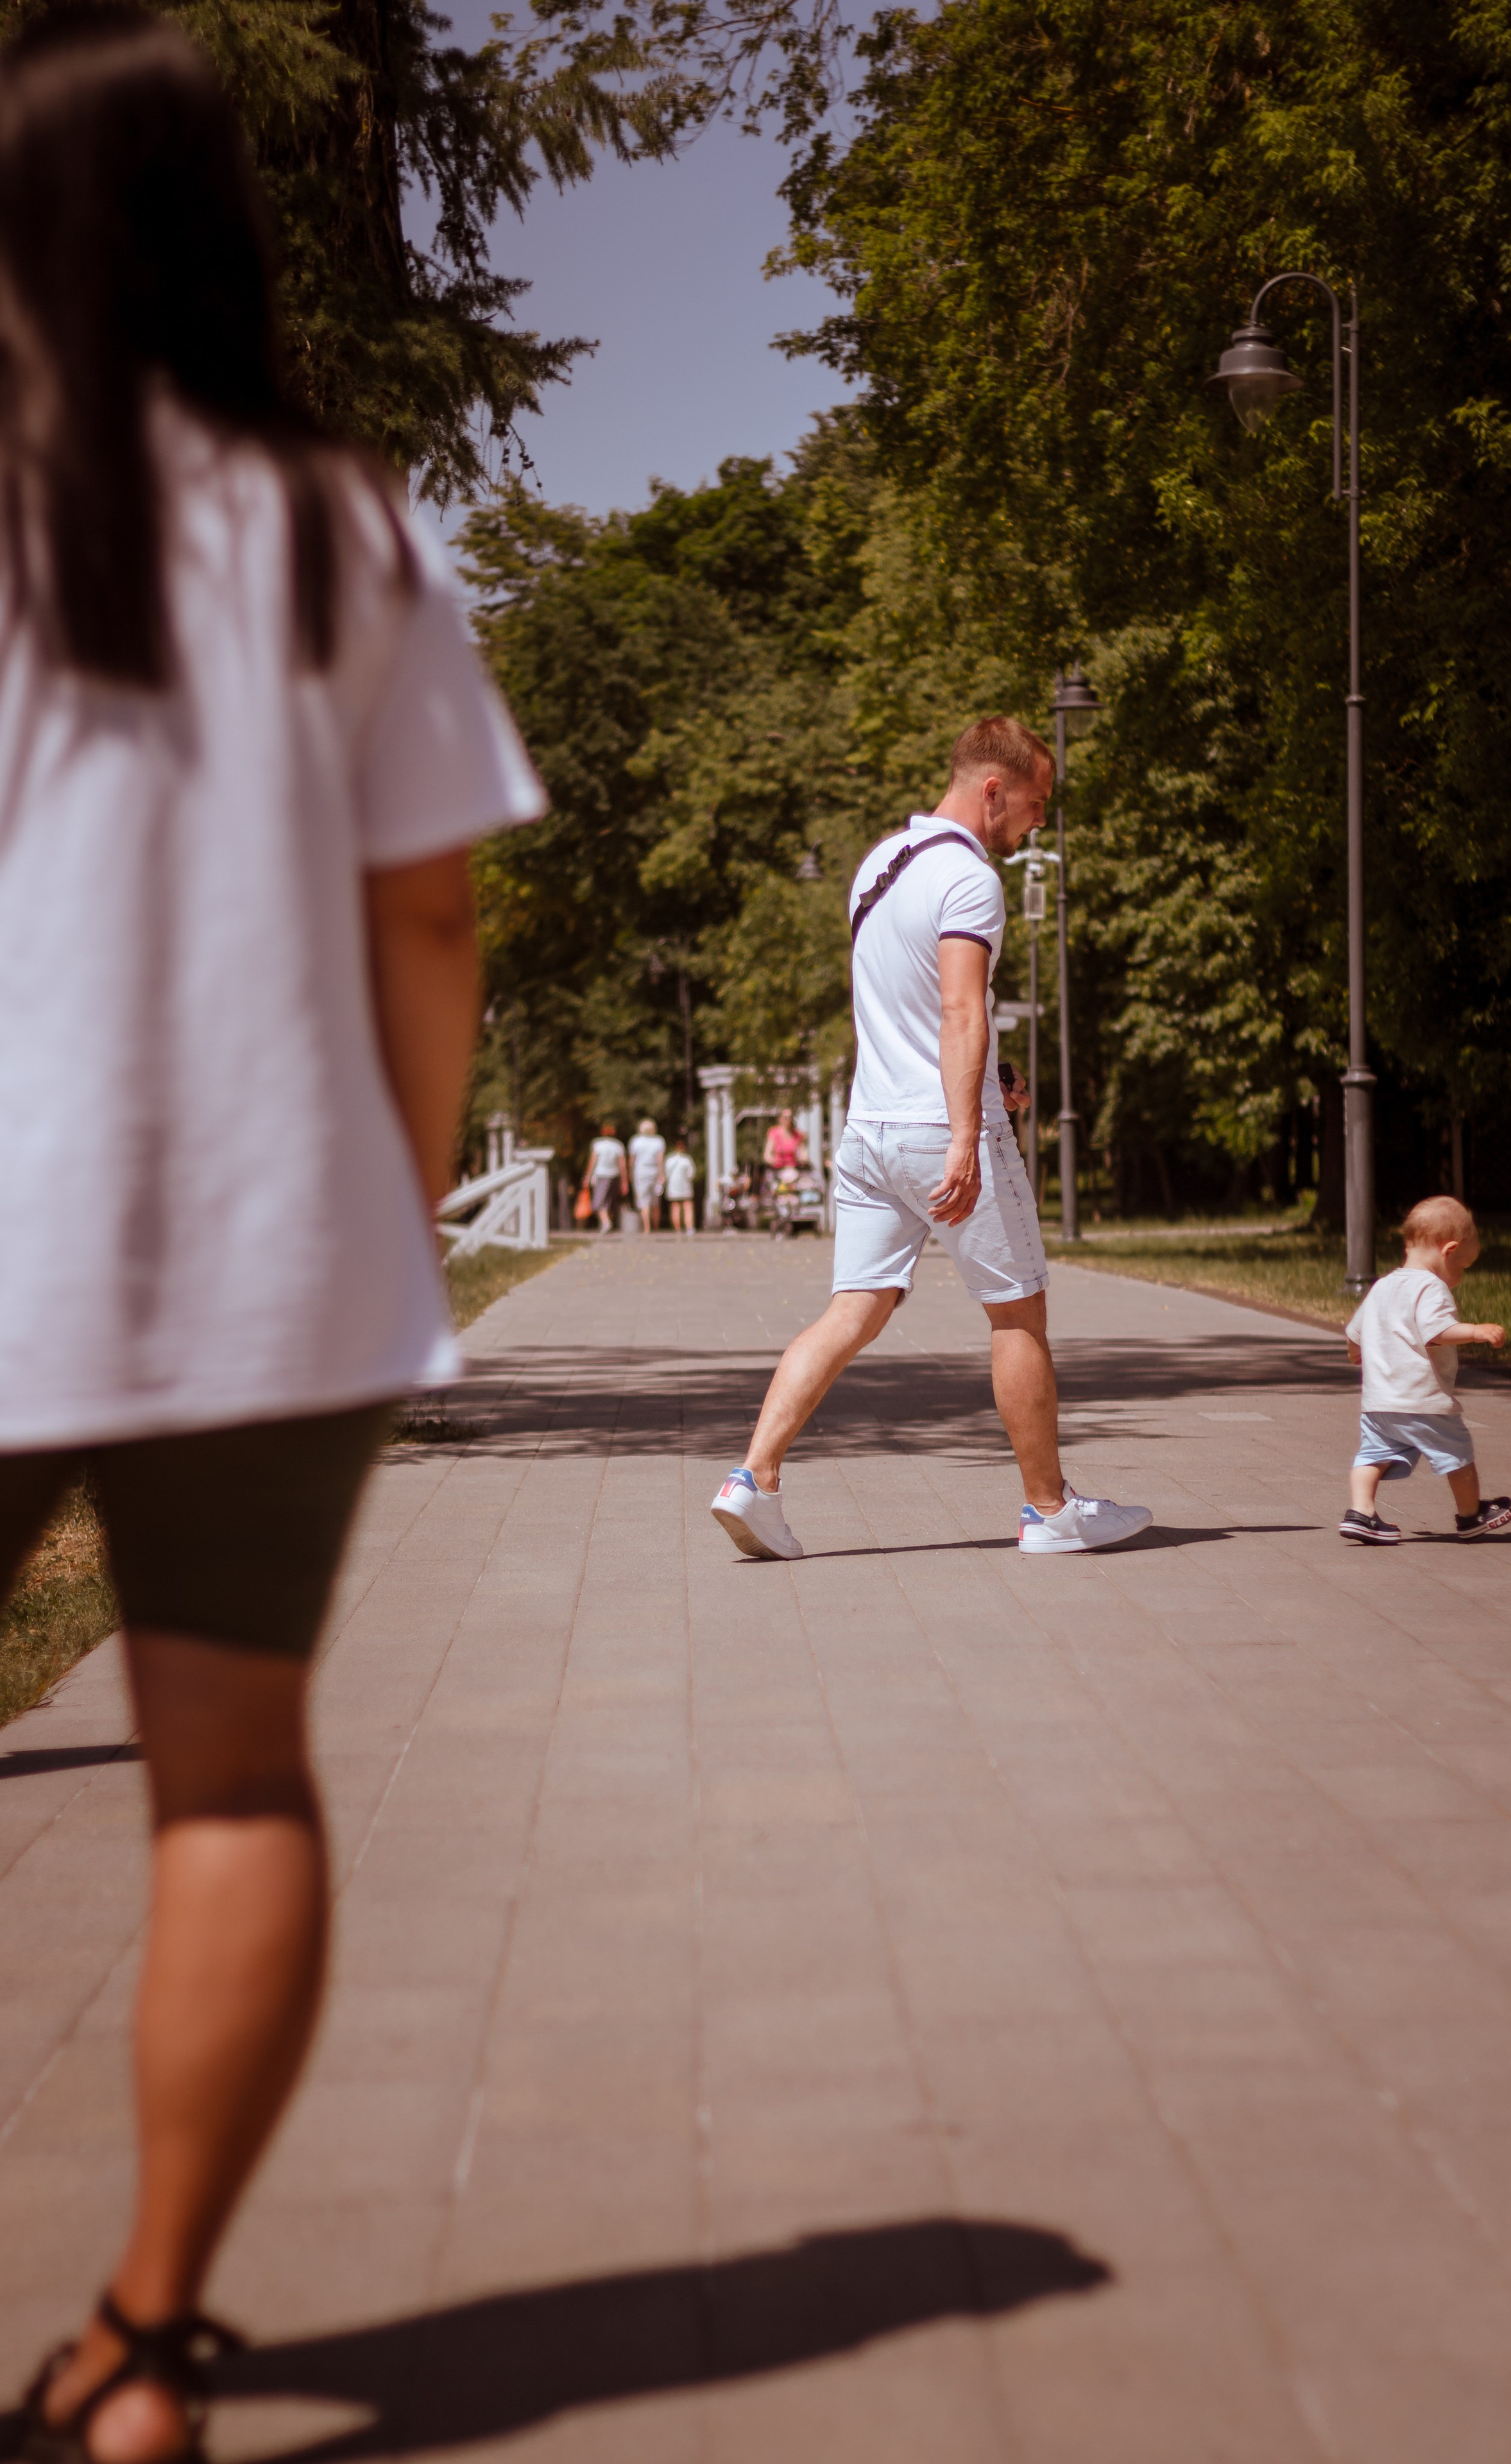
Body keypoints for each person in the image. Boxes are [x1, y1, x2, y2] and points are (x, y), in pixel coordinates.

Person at [0, 13, 544, 2458]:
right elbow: (424, 921)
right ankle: (145, 2347)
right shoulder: (343, 526)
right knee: (228, 1783)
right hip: (265, 1257)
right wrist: (393, 1200)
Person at [710, 716, 1154, 1561]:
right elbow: (958, 1011)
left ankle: (753, 1480)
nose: (1038, 823)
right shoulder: (969, 878)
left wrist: (992, 1082)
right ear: (994, 789)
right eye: (1036, 802)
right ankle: (1049, 1511)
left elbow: (907, 1007)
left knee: (853, 1308)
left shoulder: (880, 865)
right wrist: (965, 1134)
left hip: (870, 1128)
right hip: (942, 1133)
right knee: (1018, 1313)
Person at [1340, 1196, 1511, 1544]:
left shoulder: (1384, 1285)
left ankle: (1361, 1513)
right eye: (1463, 1267)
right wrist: (1475, 1331)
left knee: (1372, 1455)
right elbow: (1435, 1333)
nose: (1460, 1279)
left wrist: (1356, 1353)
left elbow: (1354, 1333)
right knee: (1457, 1452)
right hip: (1422, 1400)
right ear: (1448, 1251)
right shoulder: (1430, 1287)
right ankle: (1471, 1516)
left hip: (1378, 1402)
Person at [582, 1122, 627, 1233]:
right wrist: (624, 1181)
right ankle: (605, 1223)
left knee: (598, 1202)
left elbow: (592, 1162)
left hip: (601, 1175)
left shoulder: (597, 1144)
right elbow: (622, 1165)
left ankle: (606, 1223)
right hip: (615, 1176)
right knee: (607, 1201)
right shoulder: (618, 1145)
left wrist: (587, 1177)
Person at [629, 1116, 666, 1233]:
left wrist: (630, 1173)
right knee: (656, 1201)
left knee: (644, 1200)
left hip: (640, 1173)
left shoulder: (635, 1141)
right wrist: (662, 1174)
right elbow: (660, 1160)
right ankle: (656, 1226)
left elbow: (632, 1160)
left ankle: (647, 1228)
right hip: (655, 1172)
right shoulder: (659, 1141)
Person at [665, 1135, 697, 1234]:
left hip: (673, 1186)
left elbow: (666, 1174)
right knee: (688, 1206)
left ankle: (677, 1229)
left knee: (675, 1207)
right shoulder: (687, 1159)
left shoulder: (669, 1160)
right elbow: (691, 1174)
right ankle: (689, 1228)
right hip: (685, 1186)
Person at [762, 1107, 807, 1178]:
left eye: (790, 1117)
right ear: (780, 1119)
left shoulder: (798, 1135)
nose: (788, 1120)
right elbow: (767, 1155)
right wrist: (774, 1160)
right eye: (786, 1118)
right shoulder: (774, 1133)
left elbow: (803, 1154)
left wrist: (802, 1160)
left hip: (794, 1170)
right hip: (777, 1171)